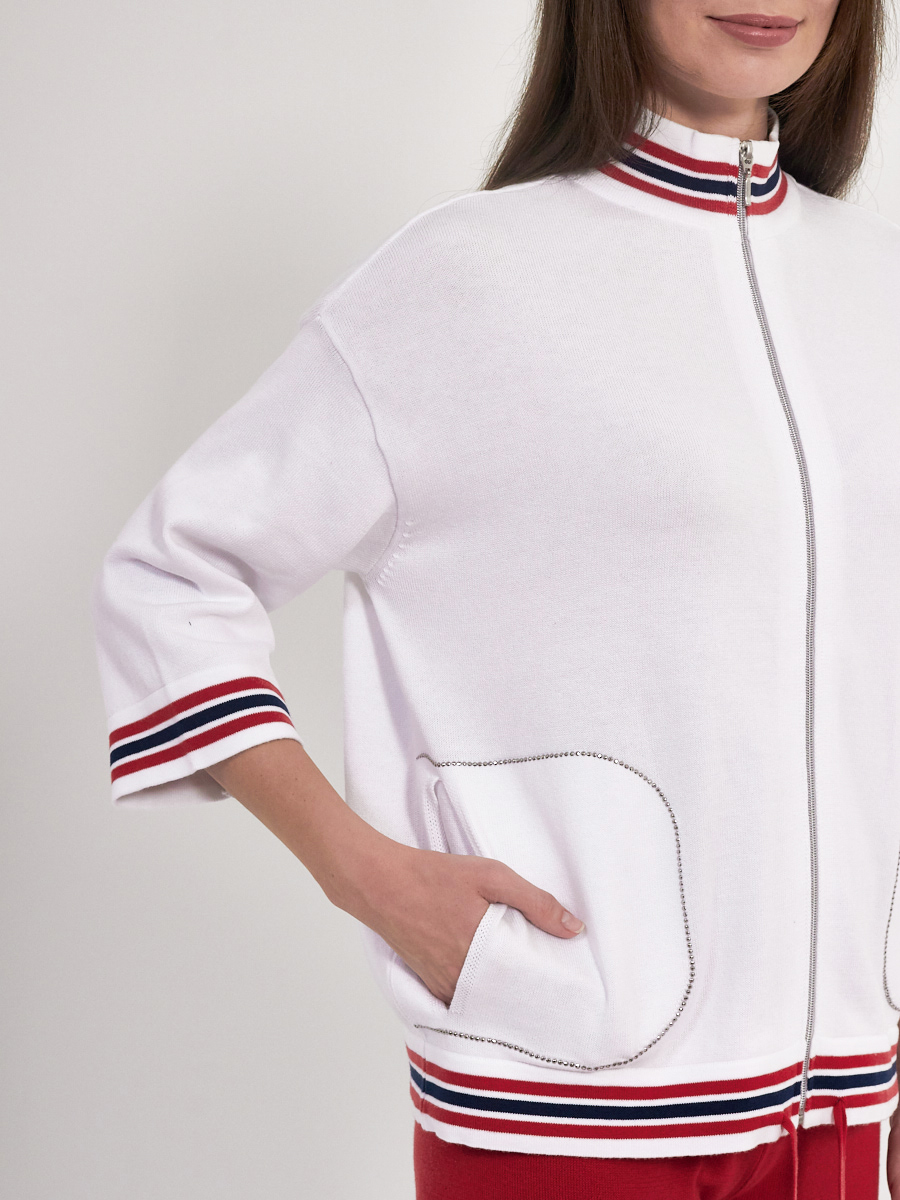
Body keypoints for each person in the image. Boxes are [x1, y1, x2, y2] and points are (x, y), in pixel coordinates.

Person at [92, 0, 900, 1196]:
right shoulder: (465, 279)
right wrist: (363, 872)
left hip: (848, 1103)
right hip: (564, 1104)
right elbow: (173, 574)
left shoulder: (875, 282)